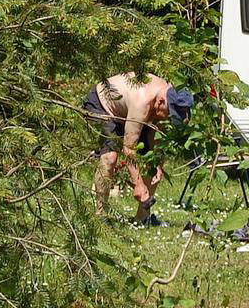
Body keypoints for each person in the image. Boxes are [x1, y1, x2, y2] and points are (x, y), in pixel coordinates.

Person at [83, 73, 194, 224]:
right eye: (168, 115)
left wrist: (157, 163)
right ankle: (100, 215)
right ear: (160, 101)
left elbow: (155, 132)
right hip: (104, 106)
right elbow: (129, 149)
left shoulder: (167, 96)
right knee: (110, 158)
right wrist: (138, 184)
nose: (166, 118)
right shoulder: (142, 101)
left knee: (153, 165)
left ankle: (143, 218)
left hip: (127, 111)